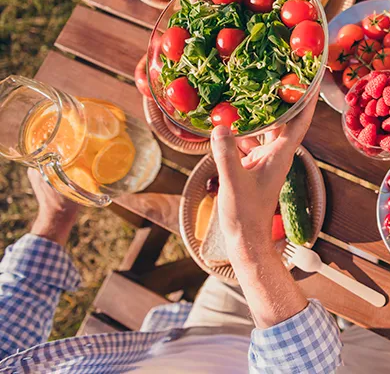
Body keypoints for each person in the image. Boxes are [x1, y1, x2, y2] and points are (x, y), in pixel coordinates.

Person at [0, 99, 344, 372]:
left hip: (198, 336)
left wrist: (53, 222)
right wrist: (249, 246)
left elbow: (8, 336)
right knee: (388, 336)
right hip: (327, 366)